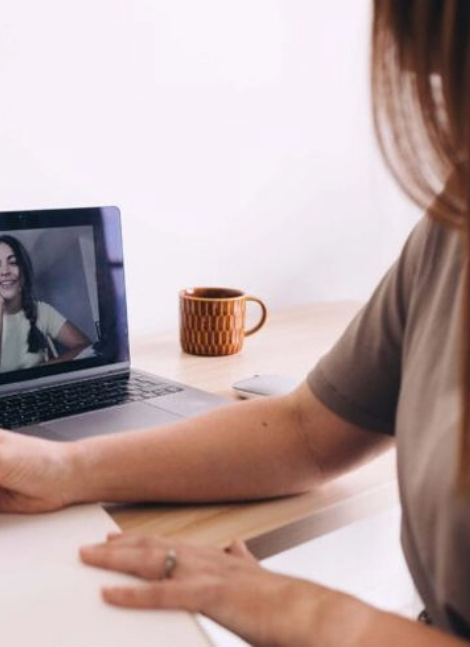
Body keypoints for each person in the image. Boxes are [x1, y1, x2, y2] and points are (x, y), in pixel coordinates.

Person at [0, 0, 469, 644]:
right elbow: (307, 430)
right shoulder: (451, 229)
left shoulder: (41, 314)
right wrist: (66, 470)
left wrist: (307, 613)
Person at [0, 234, 91, 372]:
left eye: (13, 262)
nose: (5, 271)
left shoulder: (42, 311)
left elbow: (85, 345)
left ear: (24, 272)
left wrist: (40, 370)